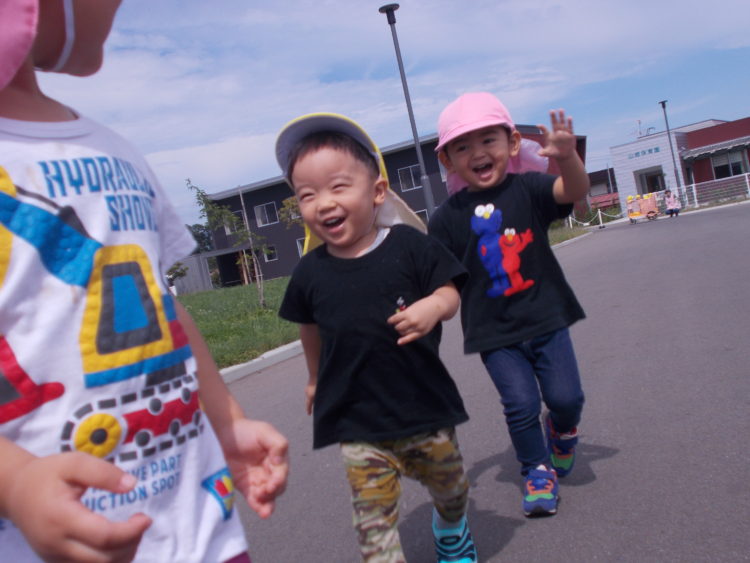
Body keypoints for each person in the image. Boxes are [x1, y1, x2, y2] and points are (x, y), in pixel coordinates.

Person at [0, 1, 289, 561]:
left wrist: (227, 420)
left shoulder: (115, 149)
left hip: (201, 530)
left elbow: (164, 307)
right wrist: (15, 485)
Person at [275, 113, 477, 563]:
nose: (323, 203)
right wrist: (314, 377)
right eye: (307, 195)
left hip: (424, 408)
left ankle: (450, 527)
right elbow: (309, 327)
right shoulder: (310, 272)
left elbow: (450, 292)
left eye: (338, 187)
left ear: (377, 191)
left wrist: (432, 307)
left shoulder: (409, 245)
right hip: (359, 426)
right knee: (373, 525)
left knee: (452, 490)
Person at [428, 92, 589, 517]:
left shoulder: (529, 189)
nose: (477, 152)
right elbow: (437, 276)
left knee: (566, 398)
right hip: (494, 334)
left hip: (547, 318)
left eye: (488, 140)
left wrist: (568, 158)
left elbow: (573, 190)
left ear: (513, 143)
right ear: (447, 160)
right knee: (520, 405)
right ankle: (536, 470)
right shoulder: (445, 218)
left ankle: (562, 430)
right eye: (462, 146)